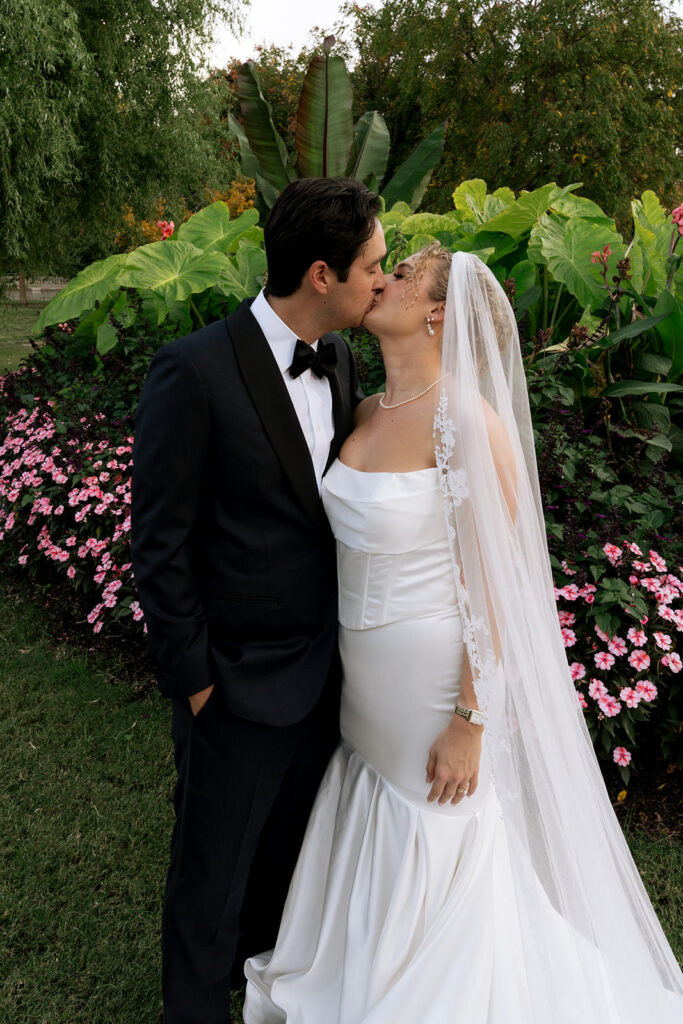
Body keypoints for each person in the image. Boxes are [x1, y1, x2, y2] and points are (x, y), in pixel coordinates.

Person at [244, 245, 683, 1022]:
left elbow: (495, 588)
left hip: (430, 682)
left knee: (439, 820)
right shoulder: (365, 410)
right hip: (359, 678)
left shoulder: (467, 422)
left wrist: (469, 719)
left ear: (440, 313)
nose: (382, 279)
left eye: (404, 274)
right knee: (376, 796)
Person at [130, 177, 386, 1024]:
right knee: (209, 886)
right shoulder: (194, 370)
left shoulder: (344, 357)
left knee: (282, 875)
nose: (380, 282)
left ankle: (262, 1003)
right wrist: (197, 681)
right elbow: (158, 546)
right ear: (322, 274)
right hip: (233, 689)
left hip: (325, 681)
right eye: (371, 268)